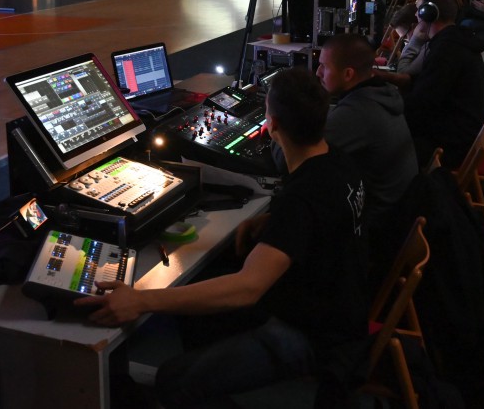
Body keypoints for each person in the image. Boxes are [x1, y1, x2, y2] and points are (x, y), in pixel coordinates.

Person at [76, 67, 368, 407]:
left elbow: (247, 288)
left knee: (173, 380)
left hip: (315, 336)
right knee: (199, 309)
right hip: (343, 310)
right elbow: (327, 219)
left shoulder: (301, 198)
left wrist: (141, 300)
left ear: (272, 125)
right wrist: (273, 222)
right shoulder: (338, 162)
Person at [315, 33, 417, 245]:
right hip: (398, 216)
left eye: (324, 66)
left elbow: (293, 160)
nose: (318, 72)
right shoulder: (382, 93)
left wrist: (278, 122)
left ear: (348, 74)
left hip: (376, 233)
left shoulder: (357, 113)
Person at [402, 0, 484, 168]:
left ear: (430, 14)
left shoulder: (446, 50)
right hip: (465, 132)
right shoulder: (456, 39)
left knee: (387, 144)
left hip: (452, 145)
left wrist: (389, 105)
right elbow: (431, 87)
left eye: (419, 10)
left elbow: (421, 105)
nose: (417, 15)